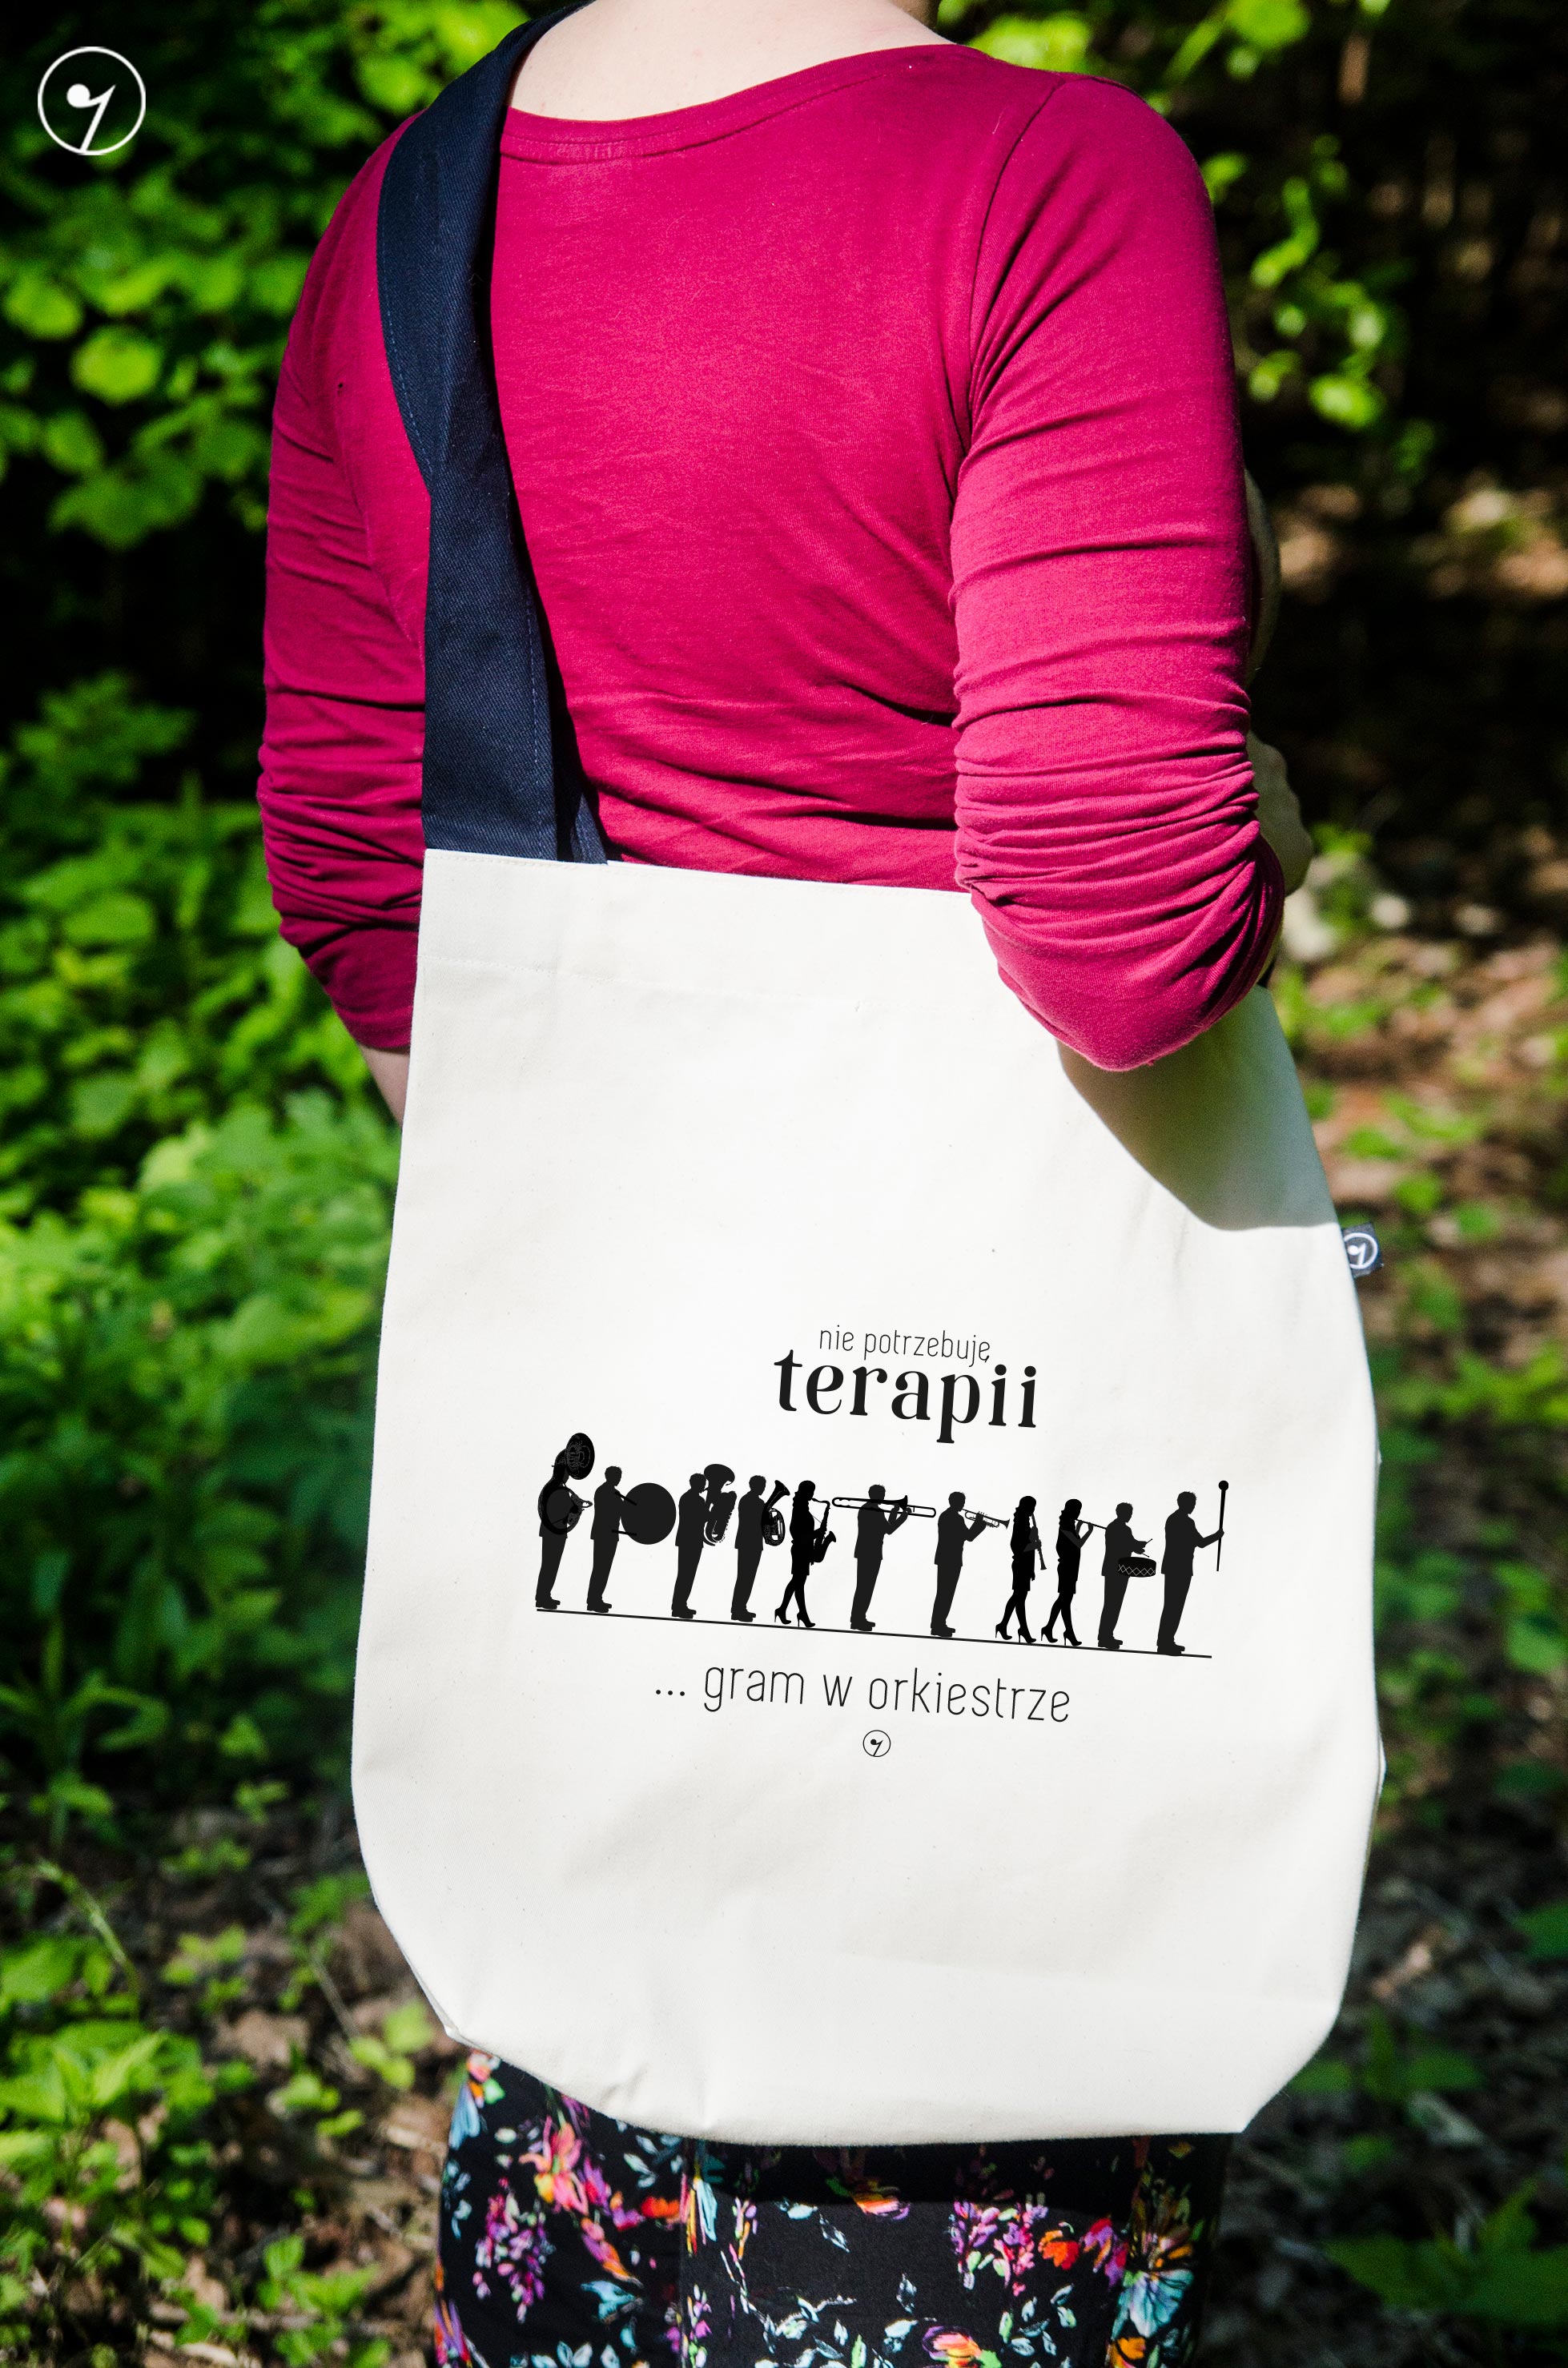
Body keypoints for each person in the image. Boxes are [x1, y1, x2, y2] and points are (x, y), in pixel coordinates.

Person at [261, 0, 1313, 2350]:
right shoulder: (1049, 184)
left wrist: (652, 1264)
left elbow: (370, 890)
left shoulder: (415, 213)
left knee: (614, 2076)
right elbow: (1117, 932)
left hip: (612, 1478)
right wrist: (1265, 812)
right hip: (1000, 1483)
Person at [1159, 1488, 1222, 1654]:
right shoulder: (1184, 1521)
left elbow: (1197, 1542)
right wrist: (1217, 1536)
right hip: (1179, 1568)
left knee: (1173, 1606)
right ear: (1184, 1504)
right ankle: (1165, 1643)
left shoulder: (1174, 1519)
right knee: (1174, 1606)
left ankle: (1166, 1641)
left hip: (1176, 1567)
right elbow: (1200, 1543)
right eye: (1192, 1504)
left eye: (1194, 1504)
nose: (1193, 1507)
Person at [849, 1485, 911, 1631]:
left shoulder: (866, 1508)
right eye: (882, 1494)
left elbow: (886, 1528)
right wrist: (903, 1515)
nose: (883, 1497)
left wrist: (894, 1511)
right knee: (866, 1588)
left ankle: (858, 1618)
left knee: (864, 1587)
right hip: (871, 1553)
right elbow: (889, 1529)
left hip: (866, 1552)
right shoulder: (875, 1511)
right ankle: (858, 1620)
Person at [731, 1475, 787, 1622]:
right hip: (750, 1543)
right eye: (762, 1486)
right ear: (755, 1486)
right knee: (745, 1578)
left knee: (746, 1578)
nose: (763, 1489)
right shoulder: (752, 1501)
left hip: (751, 1543)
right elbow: (760, 1521)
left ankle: (739, 1608)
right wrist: (770, 1520)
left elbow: (762, 1521)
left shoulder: (752, 1501)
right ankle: (738, 1610)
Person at [931, 1491, 986, 1639]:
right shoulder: (955, 1518)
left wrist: (978, 1524)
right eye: (961, 1502)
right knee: (946, 1594)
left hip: (946, 1558)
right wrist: (979, 1523)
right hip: (951, 1559)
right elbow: (969, 1537)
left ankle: (939, 1624)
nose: (963, 1505)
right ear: (954, 1502)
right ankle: (938, 1625)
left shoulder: (946, 1516)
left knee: (944, 1593)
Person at [775, 1479, 829, 1628]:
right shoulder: (799, 1508)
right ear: (806, 1492)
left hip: (803, 1550)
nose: (813, 1495)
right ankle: (799, 1614)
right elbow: (797, 1533)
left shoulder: (802, 1507)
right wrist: (818, 1533)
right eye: (811, 1492)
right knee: (797, 1583)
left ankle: (785, 1610)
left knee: (798, 1583)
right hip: (800, 1550)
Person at [1098, 1502, 1147, 1651]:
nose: (1130, 1516)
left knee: (1113, 1604)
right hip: (1117, 1569)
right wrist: (1137, 1546)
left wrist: (1137, 1545)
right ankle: (1105, 1637)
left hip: (1117, 1569)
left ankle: (1107, 1635)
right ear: (1122, 1513)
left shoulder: (1116, 1527)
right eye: (1129, 1513)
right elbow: (1125, 1545)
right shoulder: (1120, 1528)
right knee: (1112, 1604)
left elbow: (1129, 1544)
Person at [1043, 1499, 1091, 1646]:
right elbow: (1078, 1544)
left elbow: (1073, 1542)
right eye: (1077, 1510)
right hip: (1067, 1568)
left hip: (1071, 1568)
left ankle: (1051, 1628)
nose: (1079, 1513)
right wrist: (1089, 1532)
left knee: (1065, 1600)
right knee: (1064, 1600)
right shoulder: (1065, 1525)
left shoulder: (1069, 1525)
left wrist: (1079, 1528)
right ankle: (1067, 1632)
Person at [996, 1494, 1043, 1641]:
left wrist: (1032, 1569)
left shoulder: (1024, 1522)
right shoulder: (1021, 1523)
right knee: (1019, 1597)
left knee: (1019, 1598)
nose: (1033, 1510)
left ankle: (1006, 1626)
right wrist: (1035, 1544)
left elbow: (1027, 1549)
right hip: (1020, 1565)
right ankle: (1021, 1629)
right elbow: (1018, 1547)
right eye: (1032, 1507)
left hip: (1025, 1566)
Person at [585, 1464, 626, 1613]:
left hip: (606, 1534)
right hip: (606, 1534)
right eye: (618, 1477)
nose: (619, 1479)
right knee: (601, 1568)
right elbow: (619, 1510)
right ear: (611, 1477)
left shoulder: (605, 1491)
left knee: (602, 1568)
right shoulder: (606, 1491)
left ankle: (595, 1599)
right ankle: (593, 1600)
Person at [534, 1453, 573, 1610]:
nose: (568, 1477)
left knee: (548, 1565)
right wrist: (575, 1508)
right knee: (551, 1566)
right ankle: (543, 1597)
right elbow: (567, 1513)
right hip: (556, 1533)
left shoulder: (549, 1486)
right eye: (567, 1473)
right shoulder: (560, 1489)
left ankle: (543, 1596)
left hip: (549, 1531)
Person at [669, 1473, 709, 1620]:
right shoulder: (695, 1499)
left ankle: (680, 1605)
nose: (705, 1486)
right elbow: (704, 1518)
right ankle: (678, 1607)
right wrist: (717, 1509)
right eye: (703, 1484)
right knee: (686, 1575)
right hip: (691, 1540)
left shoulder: (687, 1497)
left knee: (686, 1575)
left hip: (688, 1540)